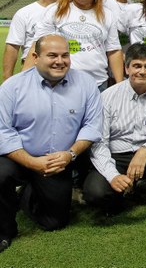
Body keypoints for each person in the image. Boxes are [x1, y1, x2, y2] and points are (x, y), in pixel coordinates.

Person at [0, 34, 102, 253]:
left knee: (54, 222)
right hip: (19, 156)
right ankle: (4, 231)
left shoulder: (85, 84)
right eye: (52, 55)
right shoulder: (12, 87)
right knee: (0, 174)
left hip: (58, 161)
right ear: (35, 57)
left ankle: (26, 193)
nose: (60, 61)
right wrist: (31, 162)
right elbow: (3, 132)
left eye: (65, 55)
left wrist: (70, 155)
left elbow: (92, 126)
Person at [84, 43, 146, 225]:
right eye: (137, 66)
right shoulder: (108, 96)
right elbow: (99, 142)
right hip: (118, 155)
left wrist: (145, 149)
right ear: (127, 68)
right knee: (95, 193)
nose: (142, 71)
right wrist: (112, 175)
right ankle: (120, 198)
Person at [27, 0, 123, 90]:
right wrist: (23, 80)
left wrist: (120, 85)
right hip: (61, 82)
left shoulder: (107, 15)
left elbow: (113, 51)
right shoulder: (55, 11)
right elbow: (37, 45)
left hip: (98, 84)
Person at [3, 0, 67, 80]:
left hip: (63, 67)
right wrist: (7, 78)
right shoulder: (24, 13)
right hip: (33, 68)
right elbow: (13, 46)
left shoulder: (70, 11)